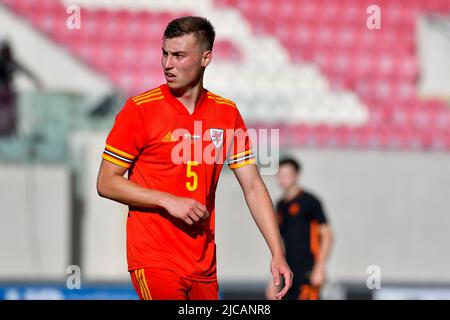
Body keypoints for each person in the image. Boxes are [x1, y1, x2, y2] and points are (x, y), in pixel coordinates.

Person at [96, 16, 292, 300]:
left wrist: (277, 252)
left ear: (206, 58)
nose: (167, 64)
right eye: (165, 54)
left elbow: (253, 186)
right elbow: (106, 182)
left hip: (203, 264)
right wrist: (167, 200)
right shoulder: (140, 110)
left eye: (178, 55)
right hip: (155, 259)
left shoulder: (227, 113)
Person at [265, 158, 333, 300]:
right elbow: (279, 242)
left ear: (296, 175)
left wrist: (319, 268)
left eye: (287, 175)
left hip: (308, 271)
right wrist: (274, 280)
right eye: (281, 175)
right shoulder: (280, 205)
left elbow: (327, 235)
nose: (283, 179)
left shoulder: (310, 201)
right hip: (289, 272)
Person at [0, 39, 42, 136]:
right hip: (5, 91)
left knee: (10, 113)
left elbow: (24, 70)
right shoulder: (6, 61)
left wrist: (36, 81)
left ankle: (9, 130)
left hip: (8, 92)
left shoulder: (10, 62)